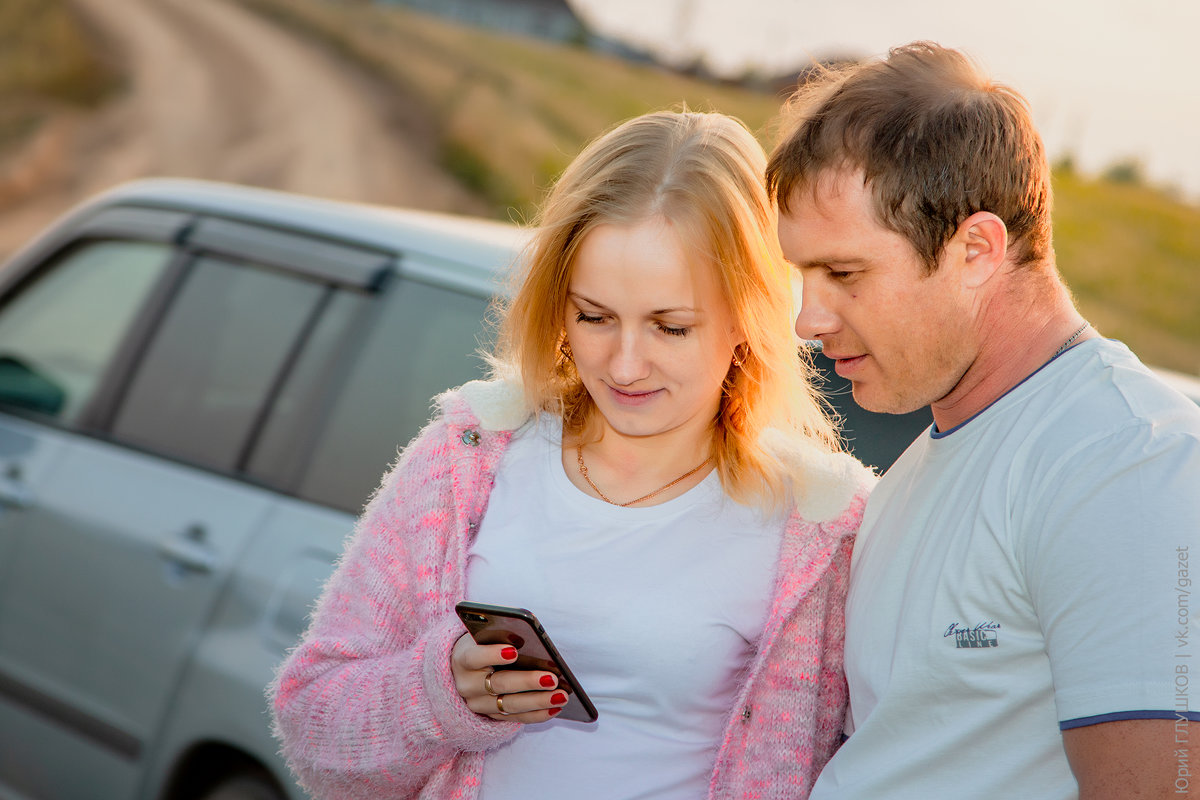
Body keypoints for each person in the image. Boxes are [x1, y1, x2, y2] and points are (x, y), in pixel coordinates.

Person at [270, 110, 875, 799]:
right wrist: (444, 696)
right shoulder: (466, 457)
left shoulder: (823, 527)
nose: (623, 364)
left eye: (669, 327)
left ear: (747, 318)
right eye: (594, 316)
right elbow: (312, 727)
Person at [765, 41, 1200, 799]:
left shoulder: (1129, 461)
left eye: (843, 273)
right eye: (801, 274)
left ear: (976, 249)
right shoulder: (907, 478)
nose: (807, 317)